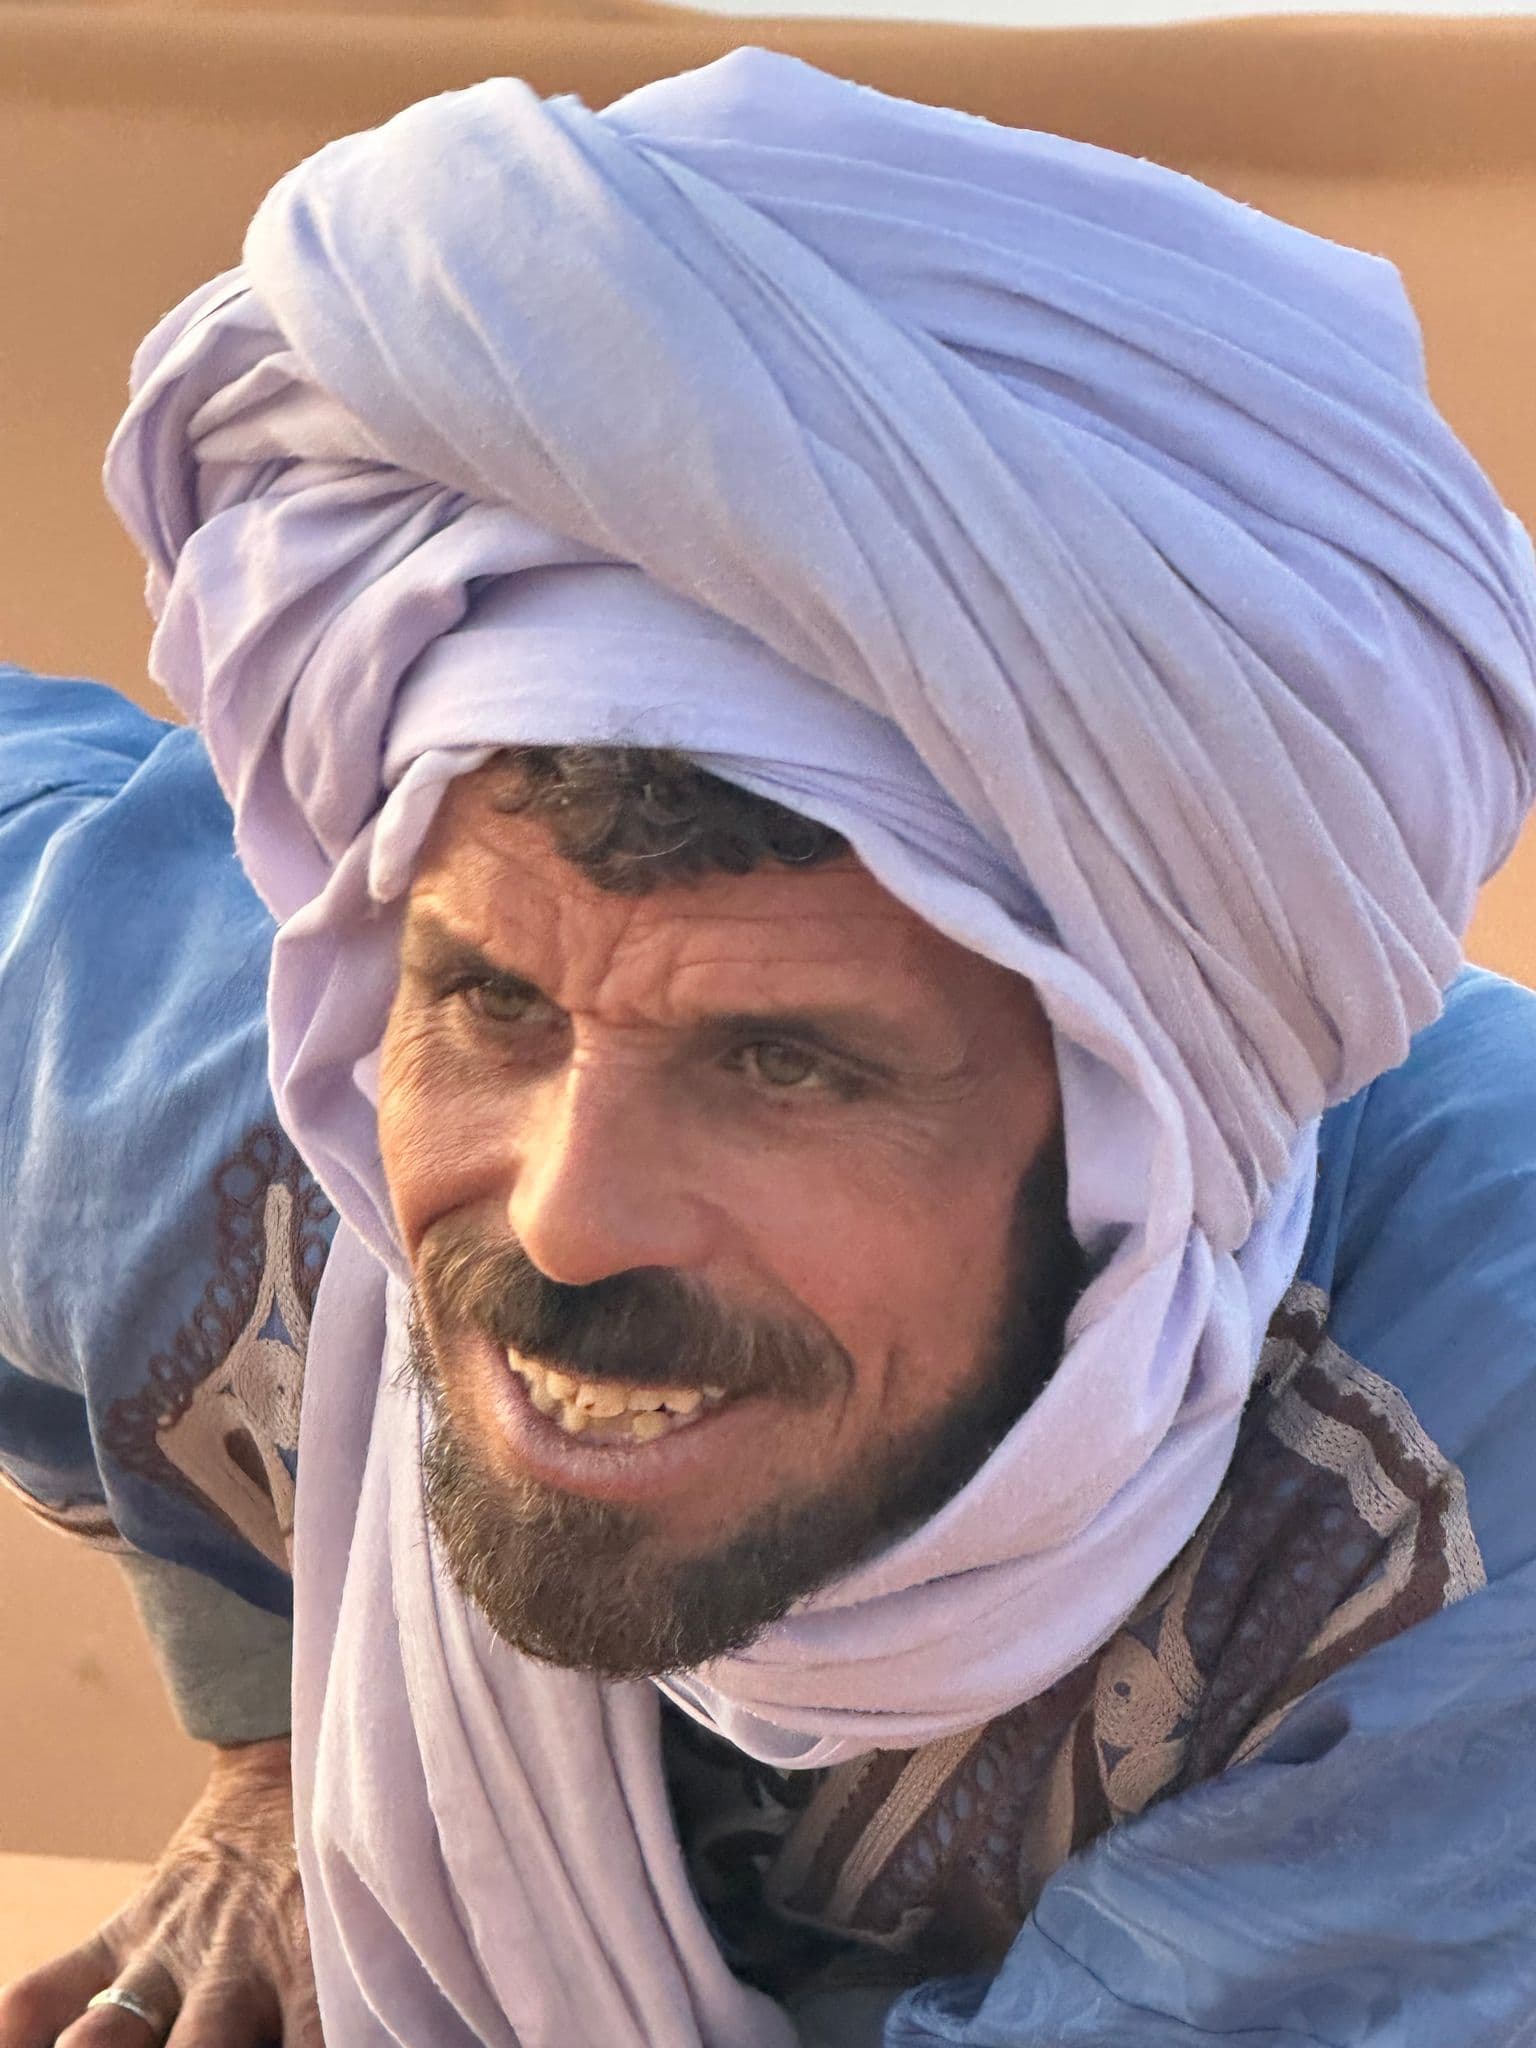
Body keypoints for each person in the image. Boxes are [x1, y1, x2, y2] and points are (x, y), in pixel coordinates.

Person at [3, 44, 1536, 2048]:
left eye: (786, 1064)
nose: (561, 1221)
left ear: (1138, 1127)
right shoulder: (198, 1104)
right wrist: (275, 1723)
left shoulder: (1458, 1513)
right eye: (494, 1001)